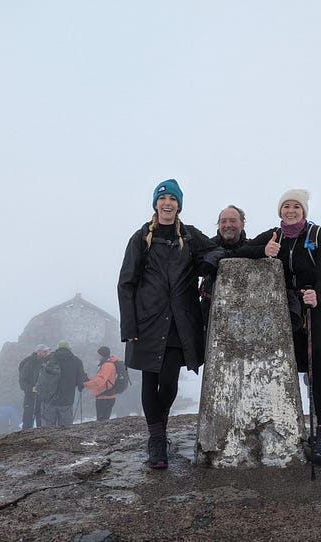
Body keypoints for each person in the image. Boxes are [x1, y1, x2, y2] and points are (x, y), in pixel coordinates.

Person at [236, 188, 321, 465]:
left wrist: (318, 294)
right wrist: (262, 250)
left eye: (296, 207)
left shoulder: (318, 234)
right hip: (294, 307)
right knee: (300, 364)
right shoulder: (274, 236)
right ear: (280, 212)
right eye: (286, 207)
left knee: (320, 363)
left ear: (303, 212)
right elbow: (241, 250)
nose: (290, 211)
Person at [117, 178, 225, 469]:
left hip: (180, 321)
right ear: (156, 204)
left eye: (173, 200)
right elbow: (126, 283)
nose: (168, 204)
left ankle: (158, 430)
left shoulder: (189, 236)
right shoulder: (141, 238)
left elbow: (216, 249)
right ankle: (156, 439)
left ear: (179, 205)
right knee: (150, 379)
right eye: (163, 199)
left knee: (169, 380)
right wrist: (129, 328)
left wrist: (206, 264)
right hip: (147, 321)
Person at [199, 205, 249, 328]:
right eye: (223, 221)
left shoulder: (251, 249)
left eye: (233, 221)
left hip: (245, 314)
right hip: (208, 312)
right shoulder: (206, 247)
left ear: (242, 224)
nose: (228, 225)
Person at [36, 340, 88, 427]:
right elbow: (81, 380)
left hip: (49, 399)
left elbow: (40, 377)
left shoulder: (48, 359)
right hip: (67, 400)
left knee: (47, 428)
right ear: (69, 348)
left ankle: (49, 440)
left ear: (58, 348)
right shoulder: (76, 361)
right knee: (66, 429)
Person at [18, 344, 51, 429]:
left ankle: (41, 438)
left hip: (42, 395)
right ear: (39, 352)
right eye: (45, 351)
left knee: (41, 419)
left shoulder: (46, 363)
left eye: (47, 351)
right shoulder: (29, 363)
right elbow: (22, 381)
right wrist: (31, 388)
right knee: (28, 419)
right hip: (30, 396)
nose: (47, 353)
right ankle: (26, 437)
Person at [84, 346, 120, 421]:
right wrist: (89, 381)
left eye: (98, 354)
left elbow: (100, 381)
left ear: (102, 355)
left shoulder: (107, 365)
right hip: (106, 396)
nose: (96, 355)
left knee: (102, 422)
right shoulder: (107, 364)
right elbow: (100, 379)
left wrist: (86, 384)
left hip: (104, 397)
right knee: (104, 421)